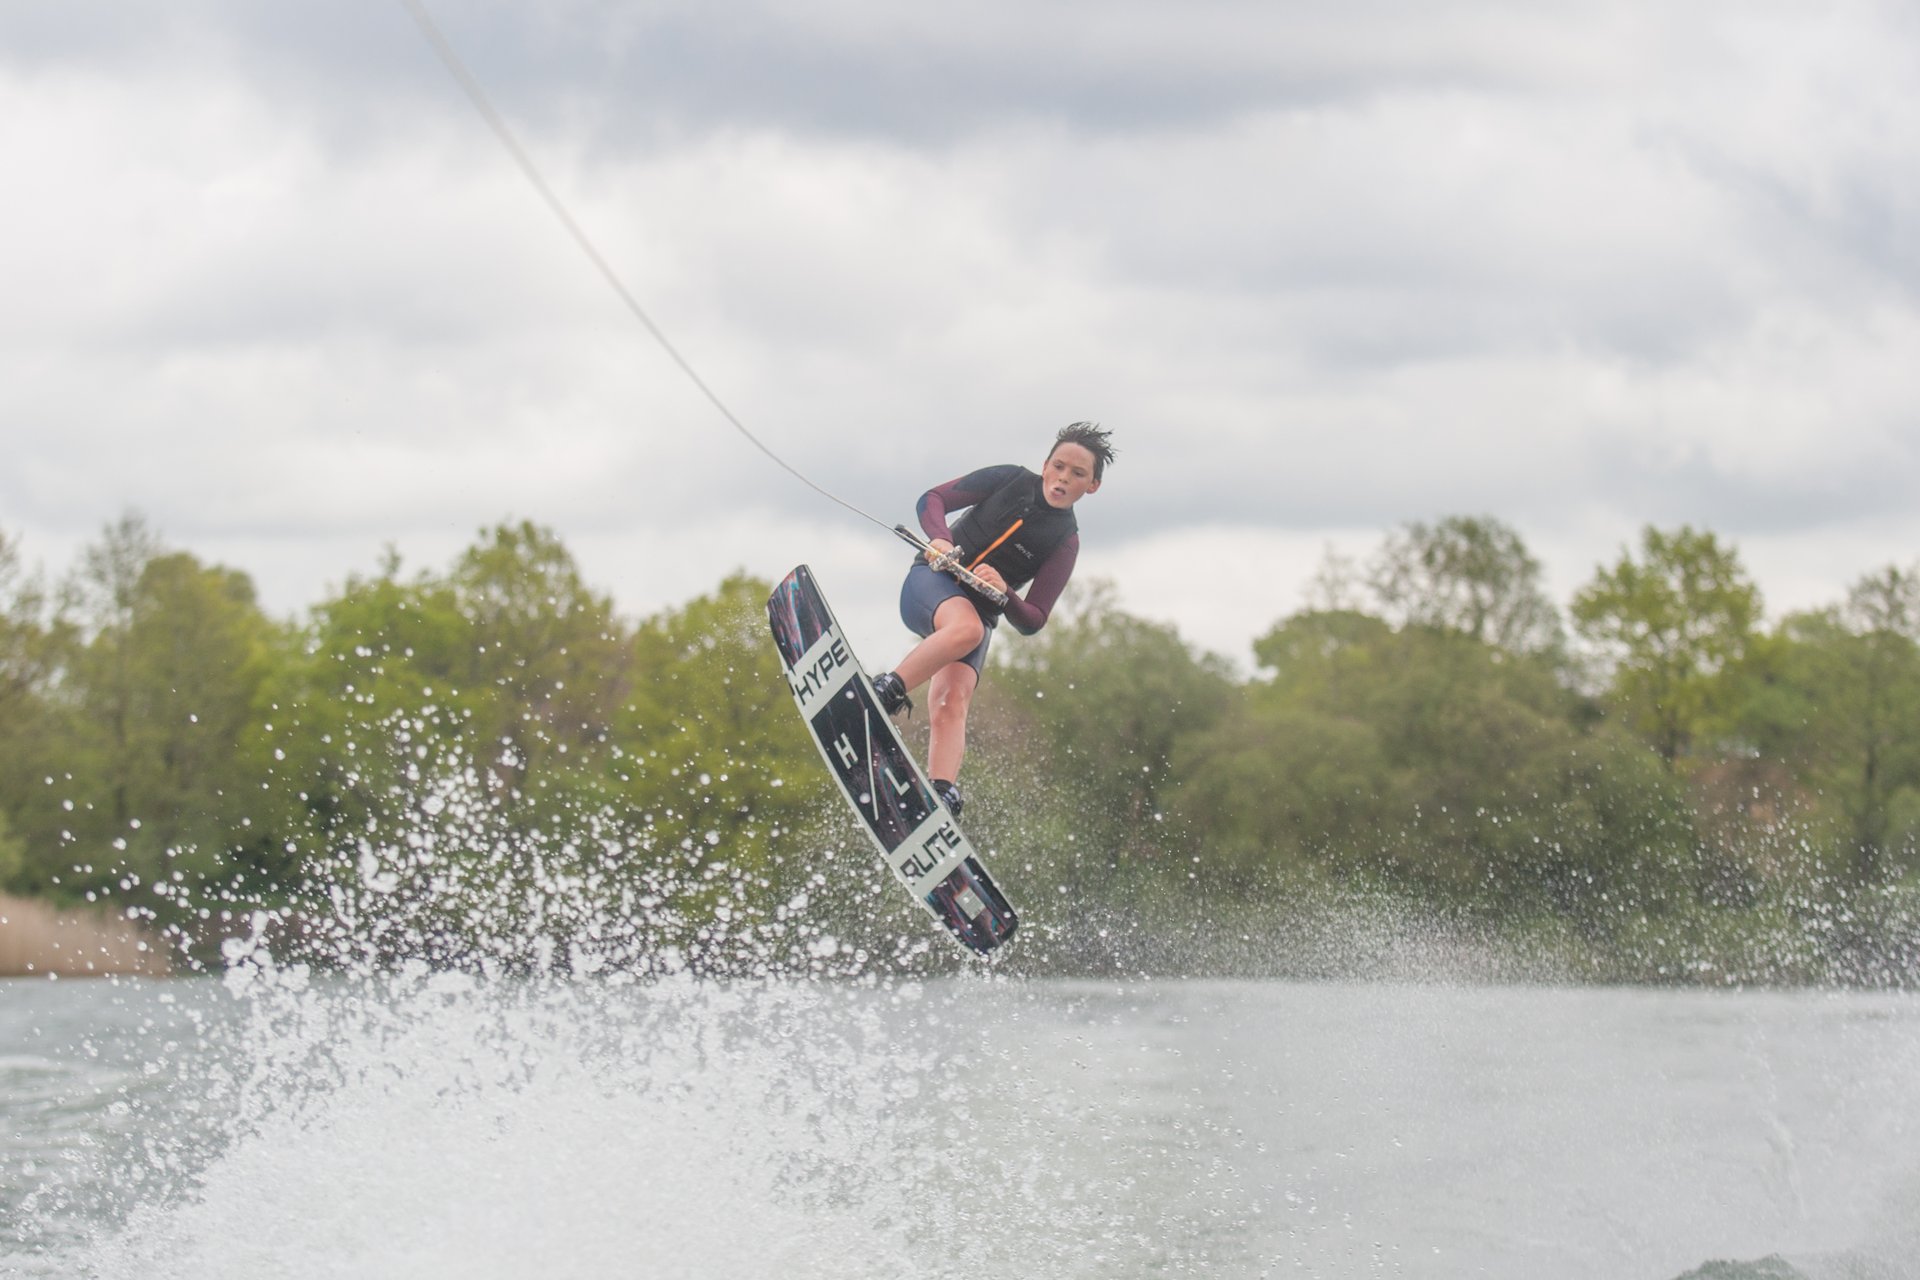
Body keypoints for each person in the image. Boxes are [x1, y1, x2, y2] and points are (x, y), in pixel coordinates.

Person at [871, 421, 1115, 820]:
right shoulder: (1009, 479)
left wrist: (1005, 593)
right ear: (1045, 464)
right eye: (1058, 467)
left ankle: (940, 796)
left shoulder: (1065, 541)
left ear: (1092, 486)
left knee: (954, 699)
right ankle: (885, 691)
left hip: (979, 617)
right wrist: (940, 538)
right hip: (930, 584)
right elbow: (931, 499)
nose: (1062, 479)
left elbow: (1034, 619)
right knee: (965, 629)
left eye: (1077, 474)